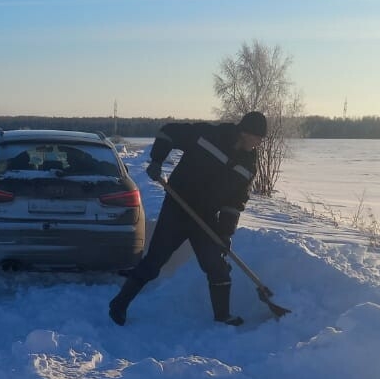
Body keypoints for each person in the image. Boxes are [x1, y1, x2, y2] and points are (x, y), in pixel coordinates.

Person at [109, 110, 267, 326]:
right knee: (154, 262)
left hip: (206, 217)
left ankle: (222, 316)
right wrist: (157, 161)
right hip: (178, 208)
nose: (259, 143)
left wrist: (225, 233)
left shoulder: (248, 165)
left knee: (217, 266)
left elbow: (235, 203)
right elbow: (168, 132)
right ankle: (119, 304)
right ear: (245, 132)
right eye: (258, 137)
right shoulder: (209, 135)